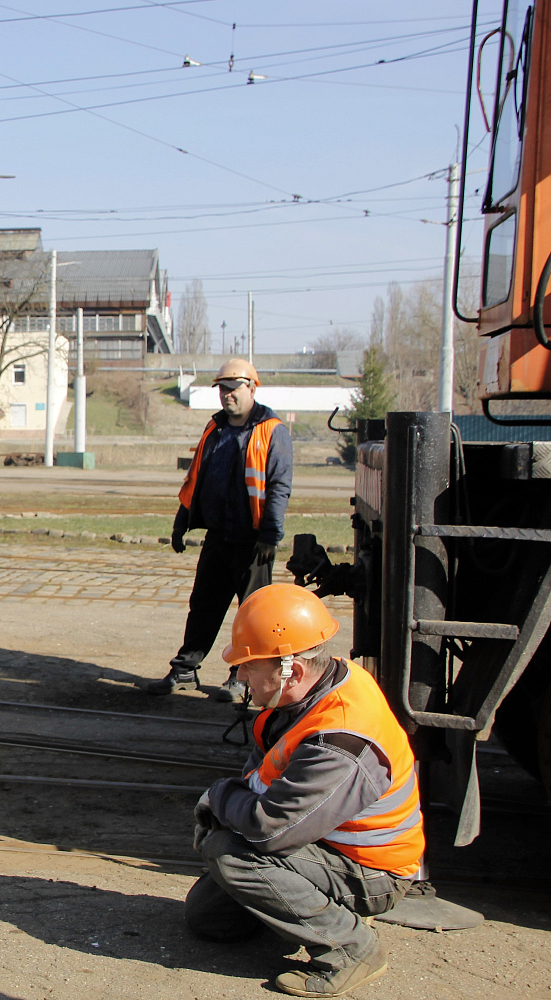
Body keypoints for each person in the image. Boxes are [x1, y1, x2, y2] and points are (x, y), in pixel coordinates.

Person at [186, 584, 423, 998]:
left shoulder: (342, 740)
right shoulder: (309, 691)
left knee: (229, 853)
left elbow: (272, 828)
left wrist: (219, 798)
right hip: (322, 845)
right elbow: (264, 775)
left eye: (248, 666)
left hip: (370, 871)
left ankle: (352, 948)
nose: (240, 676)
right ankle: (314, 909)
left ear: (290, 670)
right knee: (209, 919)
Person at [147, 358, 292, 700]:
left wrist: (270, 536)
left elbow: (278, 487)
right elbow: (195, 478)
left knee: (253, 615)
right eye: (222, 389)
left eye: (233, 388)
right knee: (203, 606)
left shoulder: (272, 430)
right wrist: (181, 521)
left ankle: (242, 679)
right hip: (218, 538)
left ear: (252, 388)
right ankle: (184, 670)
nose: (227, 395)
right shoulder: (215, 428)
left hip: (253, 543)